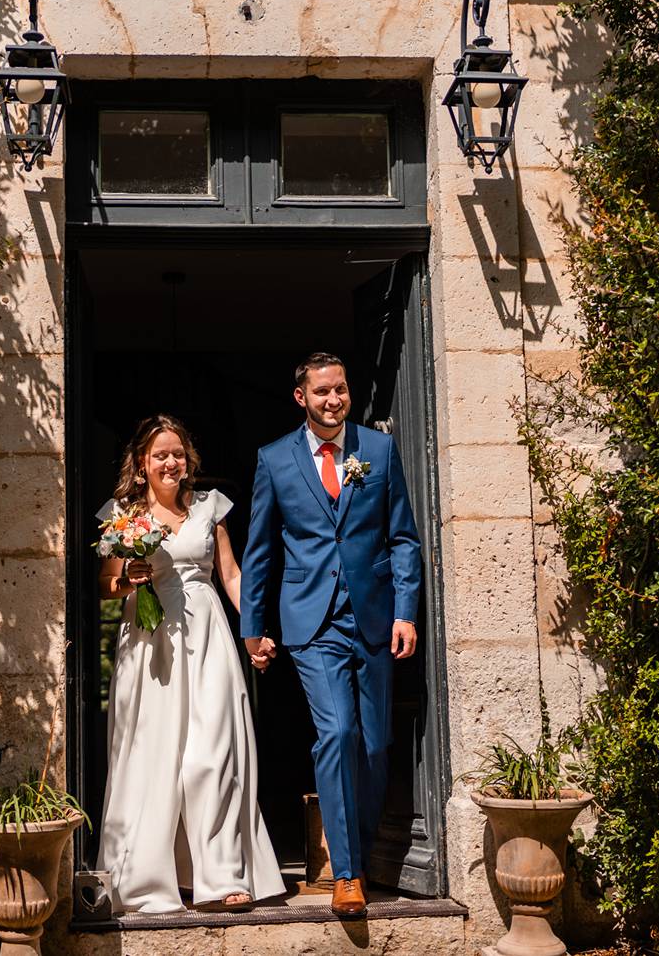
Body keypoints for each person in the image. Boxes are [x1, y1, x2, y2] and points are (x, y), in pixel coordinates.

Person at [239, 352, 422, 917]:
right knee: (338, 733)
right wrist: (253, 628)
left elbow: (403, 539)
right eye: (322, 392)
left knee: (373, 745)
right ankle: (347, 873)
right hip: (310, 623)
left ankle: (363, 852)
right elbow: (260, 550)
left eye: (340, 390)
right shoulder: (275, 460)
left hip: (372, 618)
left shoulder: (379, 451)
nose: (333, 400)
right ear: (302, 397)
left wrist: (405, 611)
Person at [95, 414, 285, 914]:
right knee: (154, 757)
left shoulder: (209, 508)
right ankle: (152, 875)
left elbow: (232, 575)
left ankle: (222, 875)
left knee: (211, 755)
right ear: (142, 464)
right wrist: (130, 577)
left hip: (208, 637)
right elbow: (106, 586)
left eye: (178, 453)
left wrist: (256, 630)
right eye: (161, 454)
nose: (171, 461)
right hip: (150, 642)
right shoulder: (123, 515)